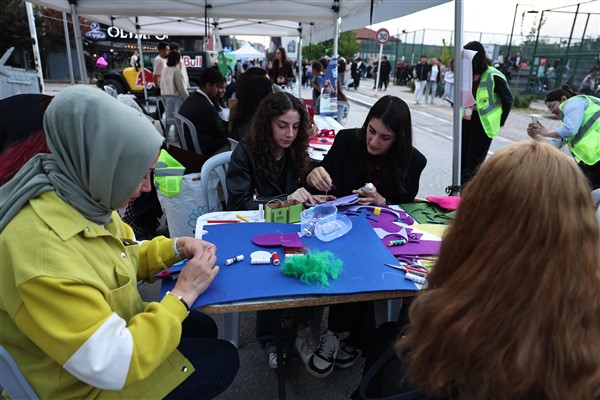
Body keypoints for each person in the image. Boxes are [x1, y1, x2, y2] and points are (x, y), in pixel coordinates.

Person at [0, 85, 239, 399]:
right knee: (224, 357)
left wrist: (176, 247)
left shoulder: (83, 193)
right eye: (140, 174)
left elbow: (126, 251)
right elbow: (113, 362)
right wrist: (182, 294)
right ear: (105, 164)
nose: (146, 187)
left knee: (203, 327)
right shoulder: (41, 253)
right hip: (86, 388)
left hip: (112, 340)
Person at [354, 141, 600, 400]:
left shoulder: (462, 316)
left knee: (388, 336)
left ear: (477, 216)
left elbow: (414, 374)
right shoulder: (584, 310)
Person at [304, 95, 427, 379]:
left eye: (385, 137)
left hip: (384, 238)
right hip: (339, 229)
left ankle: (342, 334)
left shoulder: (412, 160)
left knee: (365, 261)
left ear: (399, 138)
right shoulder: (348, 140)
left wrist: (383, 200)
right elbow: (319, 177)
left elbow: (405, 206)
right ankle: (354, 338)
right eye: (371, 131)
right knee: (351, 258)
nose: (374, 142)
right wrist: (314, 175)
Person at [527, 84, 600, 189]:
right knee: (584, 196)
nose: (551, 111)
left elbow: (570, 130)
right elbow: (556, 144)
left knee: (581, 195)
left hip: (595, 160)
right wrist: (536, 135)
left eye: (551, 106)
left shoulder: (573, 102)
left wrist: (546, 132)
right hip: (592, 162)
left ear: (563, 99)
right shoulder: (570, 121)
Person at [460, 41, 513, 186]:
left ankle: (468, 194)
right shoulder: (466, 74)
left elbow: (508, 100)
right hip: (466, 119)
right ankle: (457, 192)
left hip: (483, 124)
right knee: (461, 159)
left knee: (474, 162)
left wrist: (500, 121)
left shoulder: (493, 75)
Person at [178, 67, 230, 157]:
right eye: (216, 86)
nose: (218, 90)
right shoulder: (205, 106)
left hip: (191, 146)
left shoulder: (193, 99)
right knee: (234, 145)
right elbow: (221, 132)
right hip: (202, 149)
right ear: (208, 86)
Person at [228, 75, 274, 142]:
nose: (273, 96)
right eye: (271, 93)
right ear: (262, 97)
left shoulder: (241, 115)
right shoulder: (258, 125)